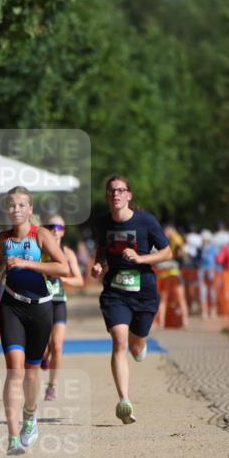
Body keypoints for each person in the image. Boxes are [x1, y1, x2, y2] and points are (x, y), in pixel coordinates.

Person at [0, 187, 69, 456]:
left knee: (32, 373)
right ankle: (12, 437)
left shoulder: (41, 235)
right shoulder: (2, 239)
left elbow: (63, 268)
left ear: (30, 210)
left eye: (22, 205)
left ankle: (30, 416)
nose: (16, 209)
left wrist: (27, 264)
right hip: (11, 306)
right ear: (7, 210)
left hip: (41, 309)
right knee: (14, 370)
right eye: (11, 205)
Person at [91, 175, 172, 424]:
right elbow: (103, 249)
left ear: (129, 195)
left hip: (144, 292)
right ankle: (124, 400)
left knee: (136, 347)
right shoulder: (103, 223)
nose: (115, 194)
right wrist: (98, 264)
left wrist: (140, 259)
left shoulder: (146, 221)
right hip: (115, 293)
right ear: (107, 196)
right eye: (111, 191)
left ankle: (141, 344)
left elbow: (167, 252)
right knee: (119, 342)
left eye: (120, 190)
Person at [40, 214, 85, 401]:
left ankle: (52, 386)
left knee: (57, 345)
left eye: (58, 227)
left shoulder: (67, 253)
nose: (54, 230)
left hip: (58, 301)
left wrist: (63, 277)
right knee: (43, 347)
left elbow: (80, 280)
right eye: (50, 226)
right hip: (40, 301)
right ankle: (44, 355)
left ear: (63, 231)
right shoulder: (38, 250)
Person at [198, 229, 220, 319]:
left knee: (213, 291)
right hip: (203, 270)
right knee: (203, 291)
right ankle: (204, 311)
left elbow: (217, 259)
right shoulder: (200, 248)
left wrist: (217, 269)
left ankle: (213, 310)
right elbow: (198, 260)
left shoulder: (213, 248)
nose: (203, 241)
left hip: (212, 270)